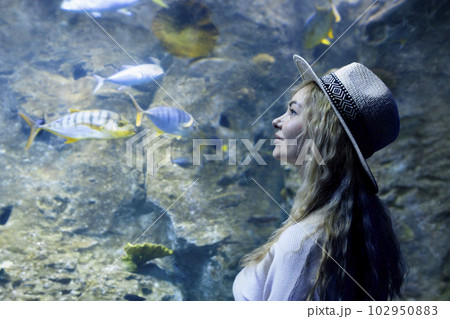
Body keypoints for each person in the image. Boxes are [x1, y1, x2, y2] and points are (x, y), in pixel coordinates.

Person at [233, 55, 406, 301]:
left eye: (293, 111)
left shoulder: (303, 243)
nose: (276, 121)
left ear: (324, 132)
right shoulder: (351, 224)